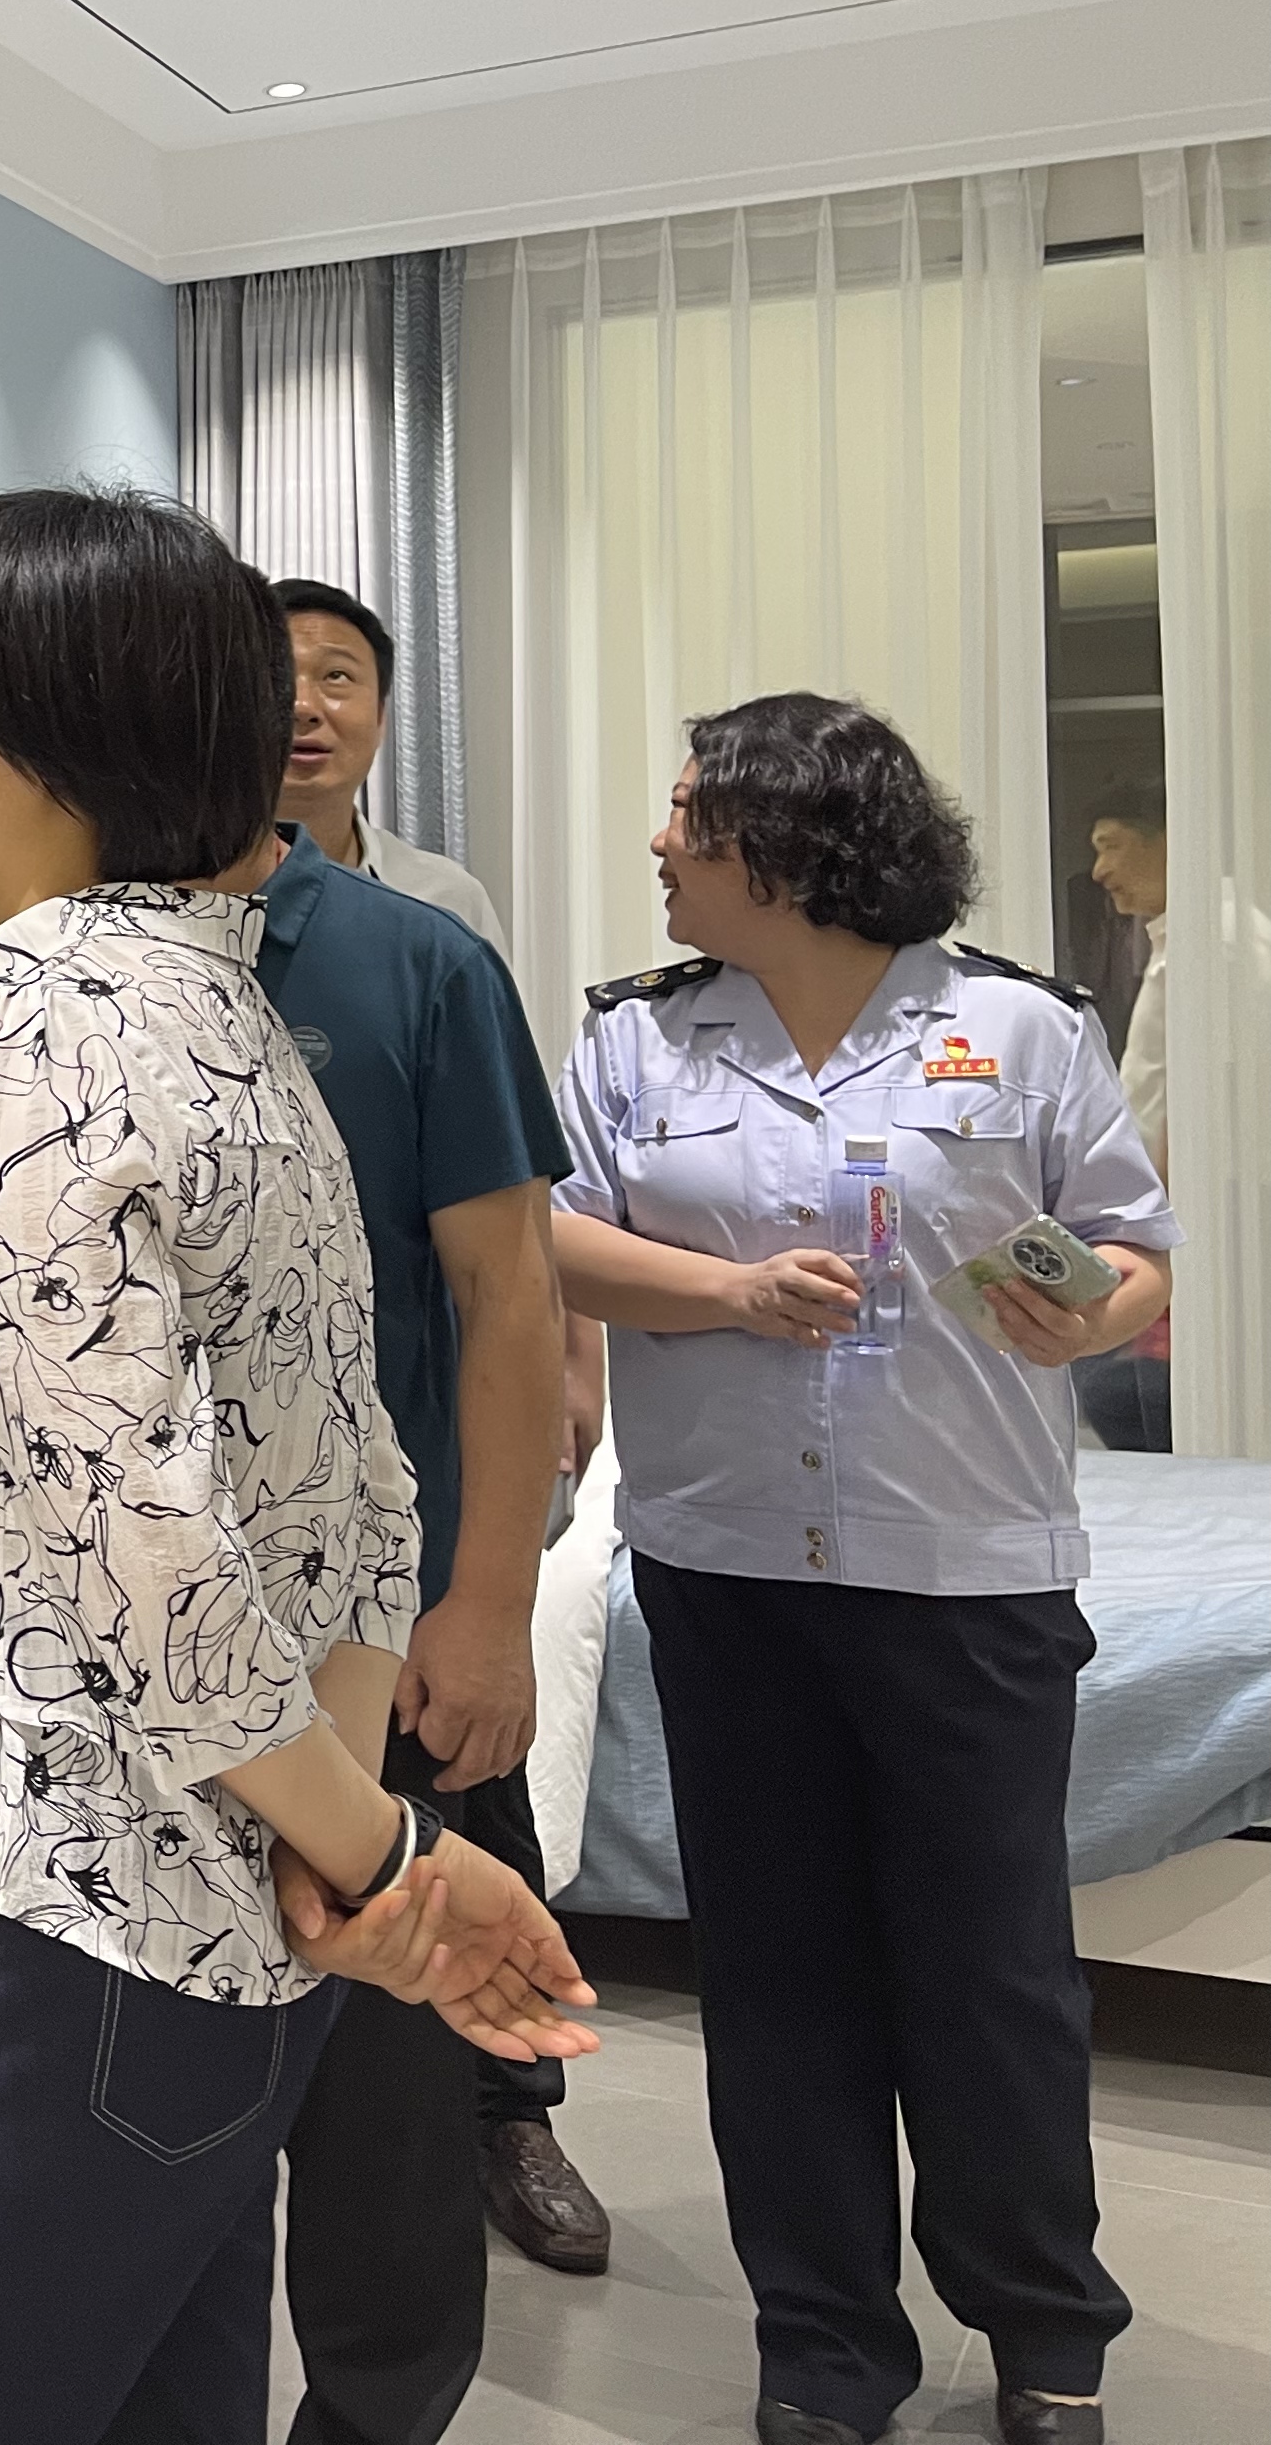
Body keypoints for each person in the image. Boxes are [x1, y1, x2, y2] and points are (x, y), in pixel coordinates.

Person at [0, 488, 595, 2445]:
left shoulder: (33, 1014)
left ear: (64, 739)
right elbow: (355, 1494)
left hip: (22, 1924)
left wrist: (385, 1858)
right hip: (208, 1943)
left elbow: (135, 1535)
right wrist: (338, 1837)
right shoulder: (226, 1012)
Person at [549, 693, 1173, 2445]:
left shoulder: (1018, 1028)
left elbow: (1131, 1247)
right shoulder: (634, 1041)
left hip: (965, 1571)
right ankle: (822, 2345)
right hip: (727, 1569)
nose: (660, 842)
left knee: (993, 1976)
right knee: (776, 1977)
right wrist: (731, 1294)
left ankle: (1043, 2325)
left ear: (790, 840)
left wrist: (1094, 1313)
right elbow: (550, 1240)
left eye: (689, 813)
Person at [230, 792, 594, 2442]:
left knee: (384, 2114)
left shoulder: (417, 964)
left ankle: (376, 2410)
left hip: (378, 1637)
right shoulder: (55, 955)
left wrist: (492, 1604)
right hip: (147, 1660)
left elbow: (511, 1293)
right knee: (162, 2122)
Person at [273, 578, 505, 949]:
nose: (303, 707)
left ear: (381, 716)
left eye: (336, 676)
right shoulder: (182, 891)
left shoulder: (444, 901)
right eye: (275, 676)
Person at [1078, 780, 1171, 1454]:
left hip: (1167, 1208)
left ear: (1167, 842)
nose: (1099, 870)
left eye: (1112, 846)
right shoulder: (1170, 944)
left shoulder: (1219, 944)